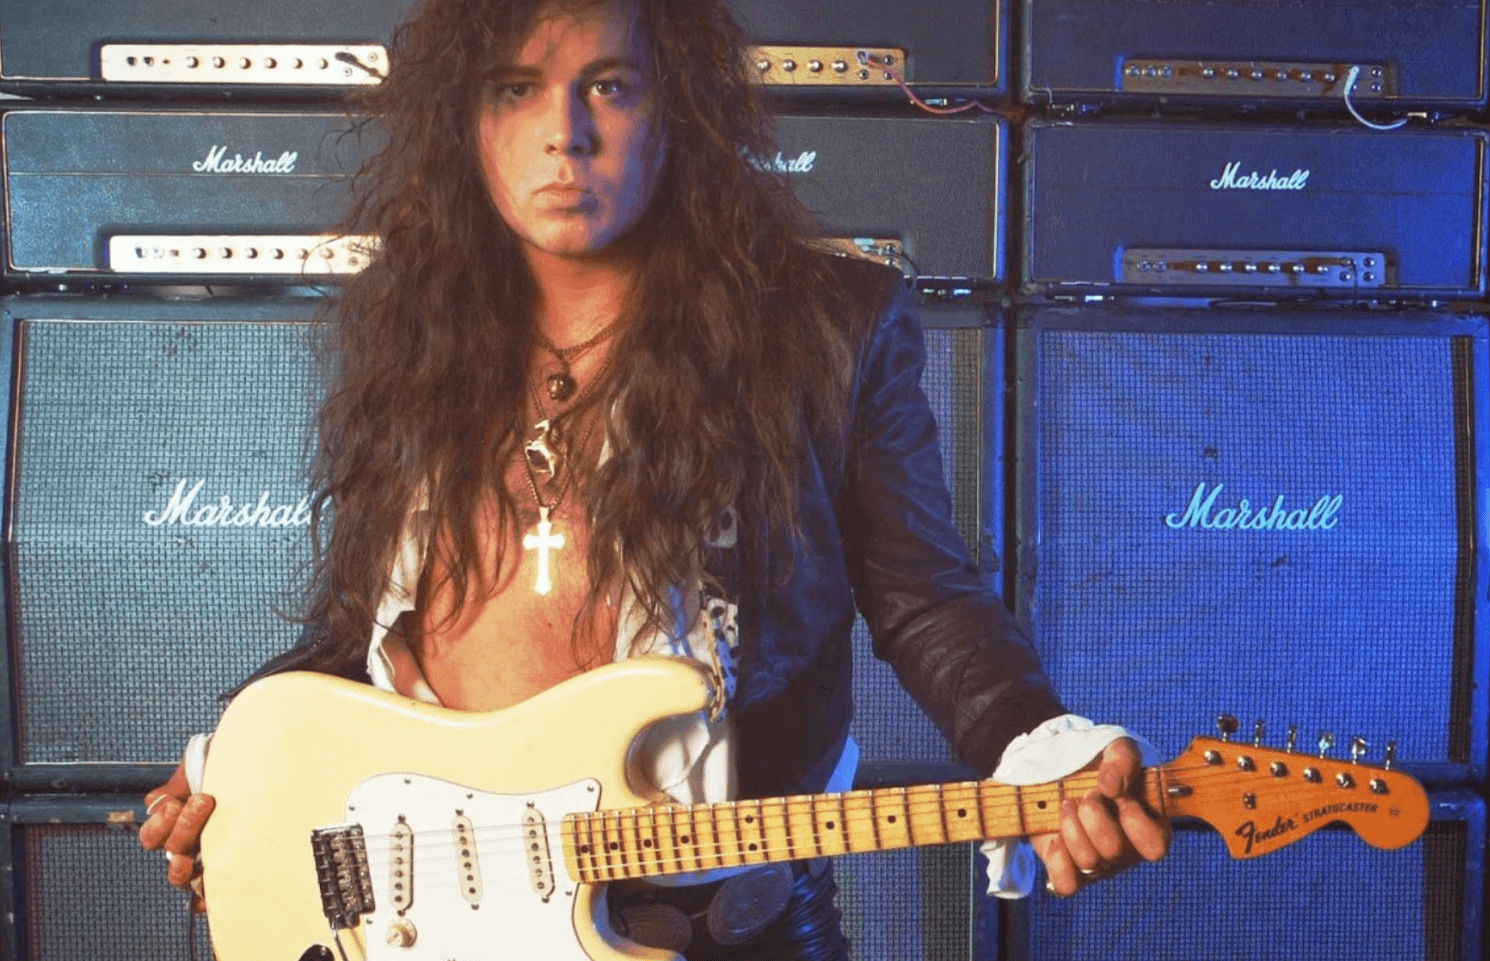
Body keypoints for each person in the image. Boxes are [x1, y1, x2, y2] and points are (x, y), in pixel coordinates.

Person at [138, 0, 1167, 956]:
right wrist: (246, 765)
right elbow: (365, 630)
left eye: (611, 87)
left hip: (720, 929)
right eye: (515, 88)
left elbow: (925, 598)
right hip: (434, 922)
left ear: (681, 109)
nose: (565, 134)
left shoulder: (823, 325)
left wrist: (1034, 737)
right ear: (464, 117)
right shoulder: (415, 331)